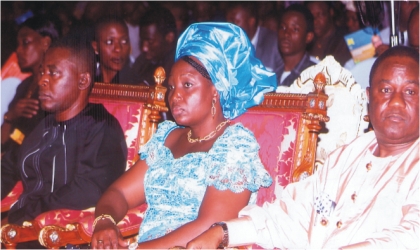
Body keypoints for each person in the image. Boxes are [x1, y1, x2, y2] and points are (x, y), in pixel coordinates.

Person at [186, 45, 419, 249]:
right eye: (386, 90)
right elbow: (292, 215)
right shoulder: (346, 158)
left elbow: (411, 236)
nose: (397, 102)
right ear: (369, 97)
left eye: (410, 91)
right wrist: (223, 232)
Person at [90, 22, 276, 249]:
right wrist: (105, 222)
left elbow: (209, 226)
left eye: (187, 85)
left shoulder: (234, 146)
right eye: (171, 87)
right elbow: (118, 192)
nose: (175, 96)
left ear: (216, 90)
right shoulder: (167, 138)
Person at [1, 37, 127, 248]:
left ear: (83, 81)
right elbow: (8, 167)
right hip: (19, 231)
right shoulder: (42, 125)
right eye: (42, 72)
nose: (42, 80)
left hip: (62, 237)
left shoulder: (101, 128)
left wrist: (20, 218)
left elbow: (87, 190)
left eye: (53, 73)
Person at [1, 15, 60, 153]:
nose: (18, 50)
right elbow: (4, 142)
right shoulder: (24, 85)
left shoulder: (55, 88)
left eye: (25, 43)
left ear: (45, 42)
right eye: (18, 44)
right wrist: (10, 116)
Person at [225, 2, 283, 77]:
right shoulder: (226, 44)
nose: (229, 28)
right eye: (227, 23)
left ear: (251, 22)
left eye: (234, 22)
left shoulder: (274, 43)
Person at [129, 7, 177, 86]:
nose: (144, 48)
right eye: (142, 40)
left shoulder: (178, 65)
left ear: (169, 37)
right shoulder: (142, 61)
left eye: (150, 41)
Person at [277, 4, 315, 87]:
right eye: (283, 27)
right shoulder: (273, 74)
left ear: (308, 37)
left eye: (295, 29)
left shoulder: (313, 76)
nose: (286, 34)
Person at [305, 1, 352, 66]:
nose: (315, 21)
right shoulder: (306, 42)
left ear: (331, 12)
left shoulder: (345, 40)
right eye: (311, 17)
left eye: (320, 15)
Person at [91, 16, 132, 84]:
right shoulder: (89, 82)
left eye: (124, 41)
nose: (118, 49)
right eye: (109, 42)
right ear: (95, 47)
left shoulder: (137, 86)